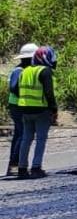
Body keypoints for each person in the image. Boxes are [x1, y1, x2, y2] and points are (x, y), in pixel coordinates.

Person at [15, 46, 57, 179]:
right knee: (40, 139)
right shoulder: (45, 71)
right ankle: (36, 168)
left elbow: (16, 89)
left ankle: (21, 169)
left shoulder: (25, 71)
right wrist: (54, 110)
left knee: (26, 139)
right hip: (41, 110)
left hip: (25, 110)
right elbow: (49, 92)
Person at [7, 43, 38, 177]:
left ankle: (13, 165)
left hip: (17, 105)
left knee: (19, 134)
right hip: (19, 106)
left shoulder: (21, 70)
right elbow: (14, 88)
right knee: (23, 134)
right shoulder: (19, 71)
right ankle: (15, 164)